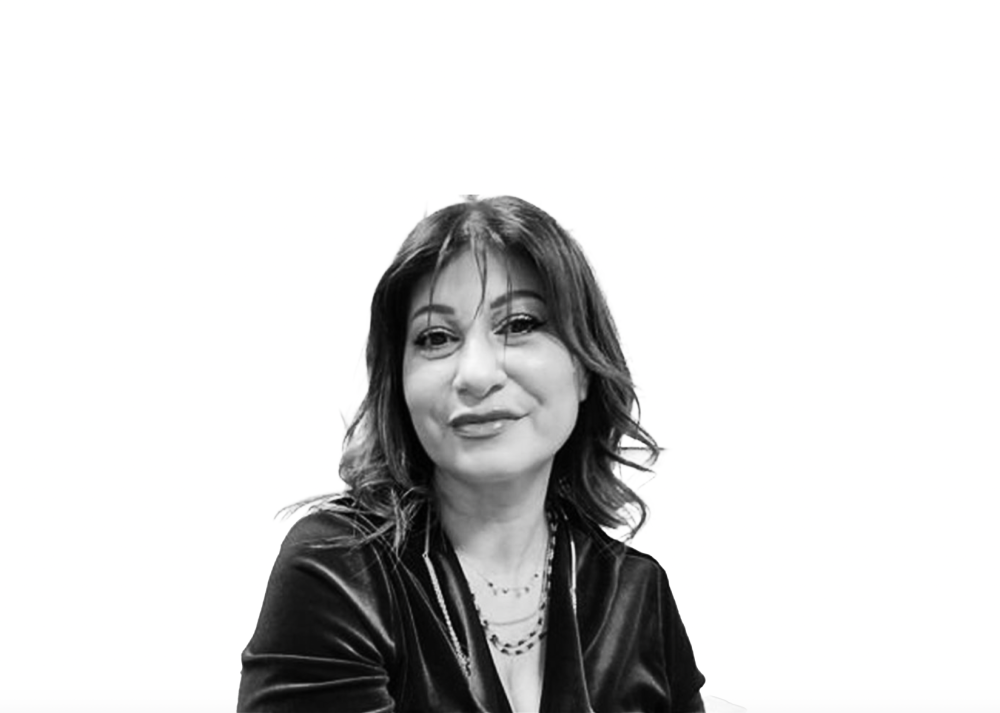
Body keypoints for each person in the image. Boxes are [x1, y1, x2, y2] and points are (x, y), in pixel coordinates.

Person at [238, 196, 705, 712]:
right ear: (400, 383)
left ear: (584, 368)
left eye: (519, 324)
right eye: (436, 337)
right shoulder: (342, 569)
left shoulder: (636, 593)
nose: (477, 375)